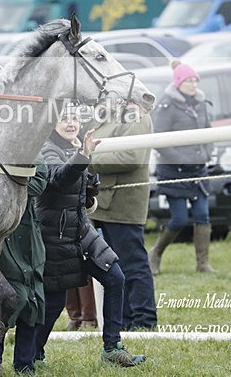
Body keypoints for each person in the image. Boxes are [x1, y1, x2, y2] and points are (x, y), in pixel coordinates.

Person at [33, 108, 146, 368]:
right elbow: (59, 179)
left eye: (75, 118)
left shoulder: (77, 144)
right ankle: (34, 354)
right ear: (52, 123)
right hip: (54, 235)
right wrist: (83, 155)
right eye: (65, 118)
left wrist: (90, 186)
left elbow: (79, 191)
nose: (71, 123)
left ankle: (112, 349)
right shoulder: (46, 148)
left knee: (115, 277)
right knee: (55, 303)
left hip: (82, 231)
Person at [89, 111, 157, 330]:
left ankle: (145, 321)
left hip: (123, 205)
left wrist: (86, 159)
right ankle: (127, 322)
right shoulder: (109, 113)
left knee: (133, 264)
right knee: (116, 266)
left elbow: (130, 157)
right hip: (105, 204)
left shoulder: (136, 115)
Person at [0, 155, 49, 376]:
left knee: (33, 299)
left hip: (28, 230)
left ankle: (25, 365)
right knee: (5, 294)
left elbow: (38, 183)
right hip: (1, 229)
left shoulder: (37, 150)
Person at [149, 60, 216, 274]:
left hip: (198, 171)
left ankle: (202, 263)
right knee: (178, 219)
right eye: (188, 81)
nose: (193, 84)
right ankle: (156, 253)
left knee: (202, 216)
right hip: (174, 171)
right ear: (178, 83)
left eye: (195, 80)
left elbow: (209, 132)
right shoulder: (166, 105)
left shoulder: (202, 103)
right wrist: (180, 159)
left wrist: (205, 153)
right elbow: (159, 138)